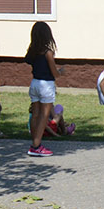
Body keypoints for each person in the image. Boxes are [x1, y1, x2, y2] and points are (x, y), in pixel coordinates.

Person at [24, 22, 65, 157]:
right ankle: (36, 145)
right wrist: (61, 72)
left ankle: (34, 143)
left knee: (35, 114)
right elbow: (54, 73)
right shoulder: (48, 52)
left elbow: (29, 62)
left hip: (34, 83)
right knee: (44, 115)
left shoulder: (33, 51)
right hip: (46, 85)